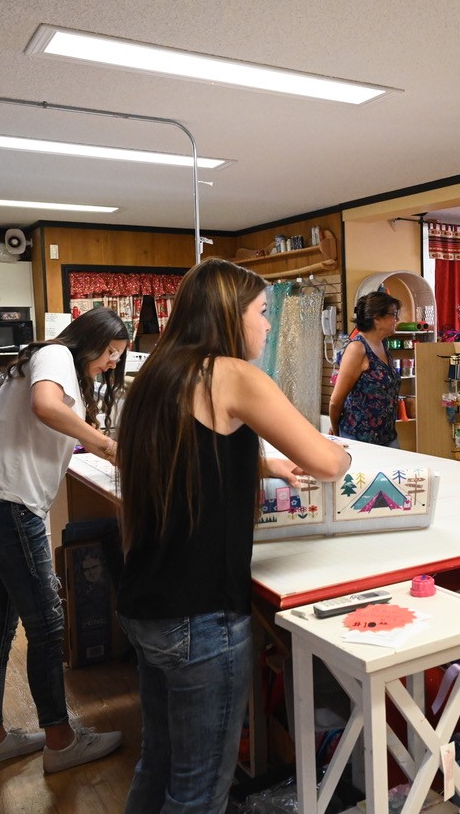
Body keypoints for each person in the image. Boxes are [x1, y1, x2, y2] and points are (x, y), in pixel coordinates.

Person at [116, 257, 351, 812]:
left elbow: (188, 454)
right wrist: (342, 452)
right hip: (201, 618)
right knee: (199, 792)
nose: (268, 326)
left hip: (147, 604)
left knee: (159, 764)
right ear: (228, 315)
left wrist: (262, 465)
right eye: (262, 313)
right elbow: (326, 461)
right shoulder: (234, 375)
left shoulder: (158, 374)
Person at [0, 308, 128, 772]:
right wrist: (108, 446)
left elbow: (46, 424)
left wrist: (98, 442)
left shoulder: (46, 362)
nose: (113, 362)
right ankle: (60, 740)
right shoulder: (55, 353)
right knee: (49, 627)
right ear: (90, 341)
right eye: (111, 352)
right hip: (9, 509)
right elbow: (46, 408)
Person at [329, 291, 403, 447]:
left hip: (387, 437)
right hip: (358, 438)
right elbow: (336, 402)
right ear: (377, 318)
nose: (397, 319)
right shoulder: (357, 348)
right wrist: (337, 432)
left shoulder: (383, 344)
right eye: (394, 315)